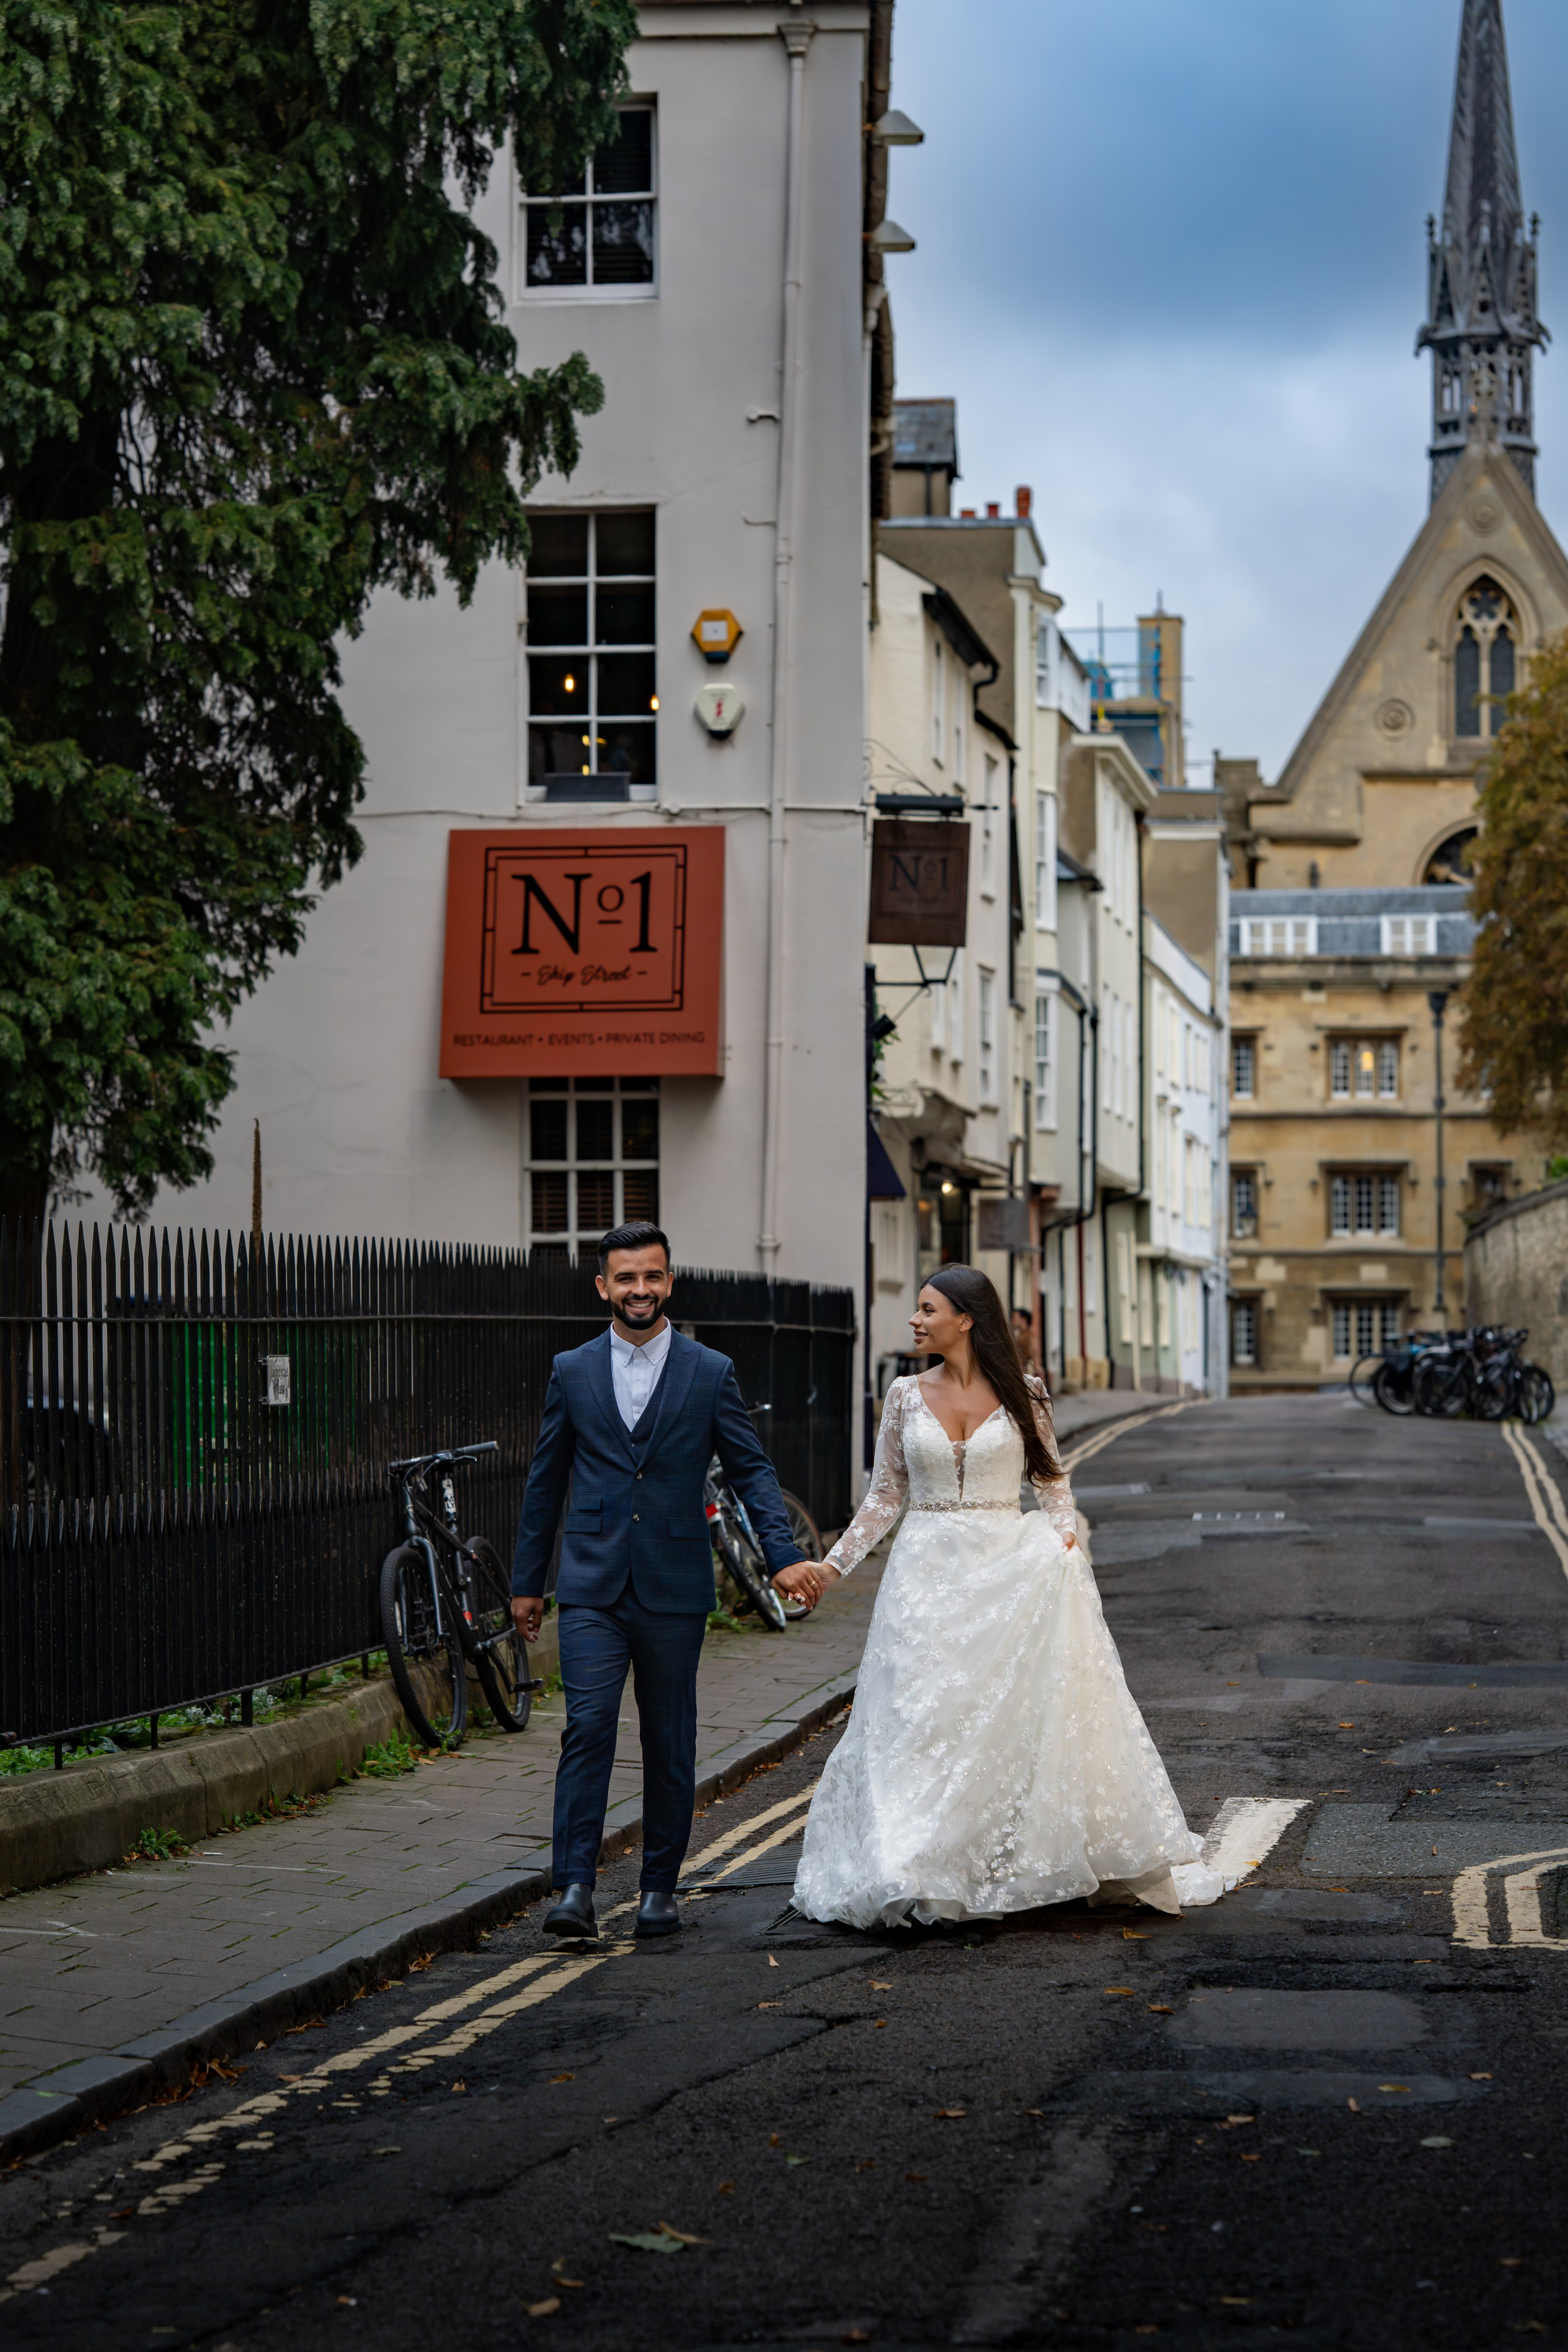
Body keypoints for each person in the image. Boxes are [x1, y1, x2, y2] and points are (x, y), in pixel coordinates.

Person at [790, 1264, 1226, 1928]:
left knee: (997, 1723)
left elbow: (1052, 1483)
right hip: (924, 1576)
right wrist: (831, 1567)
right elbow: (884, 1498)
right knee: (917, 1719)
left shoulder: (1026, 1394)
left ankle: (996, 1857)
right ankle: (908, 1863)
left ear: (965, 1320)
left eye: (928, 1309)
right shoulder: (904, 1395)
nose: (915, 1319)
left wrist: (1062, 1544)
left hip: (1006, 1572)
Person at [511, 1222, 821, 1942]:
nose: (639, 1290)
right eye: (626, 1278)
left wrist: (779, 1557)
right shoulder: (571, 1369)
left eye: (652, 1277)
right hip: (591, 1582)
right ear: (603, 1287)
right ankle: (575, 1889)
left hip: (674, 1583)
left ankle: (658, 1888)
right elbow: (545, 1479)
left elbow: (750, 1470)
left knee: (669, 1738)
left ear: (669, 1282)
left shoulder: (709, 1371)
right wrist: (529, 1581)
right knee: (587, 1729)